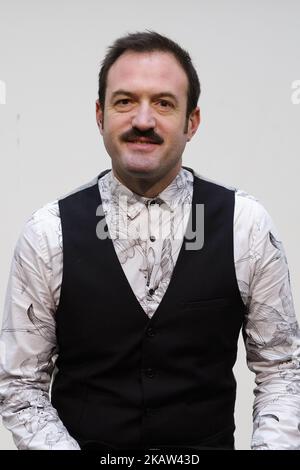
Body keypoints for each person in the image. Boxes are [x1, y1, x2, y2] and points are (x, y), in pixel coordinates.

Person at [0, 31, 299, 451]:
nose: (143, 120)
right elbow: (20, 386)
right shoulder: (48, 233)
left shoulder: (245, 226)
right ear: (100, 115)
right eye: (125, 102)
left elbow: (282, 369)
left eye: (163, 103)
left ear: (191, 121)